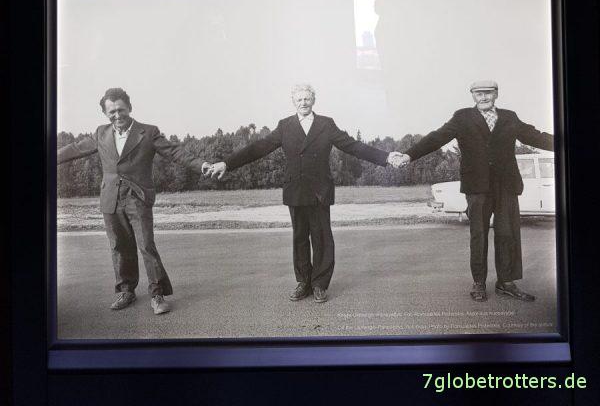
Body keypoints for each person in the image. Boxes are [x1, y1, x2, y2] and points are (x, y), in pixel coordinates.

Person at [205, 84, 404, 303]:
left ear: (313, 100)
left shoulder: (326, 124)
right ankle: (304, 282)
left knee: (321, 238)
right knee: (299, 238)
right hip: (295, 190)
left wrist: (385, 157)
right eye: (299, 99)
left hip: (320, 190)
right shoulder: (285, 126)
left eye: (307, 99)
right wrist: (227, 163)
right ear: (293, 102)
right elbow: (258, 148)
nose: (303, 103)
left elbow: (353, 146)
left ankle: (319, 284)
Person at [393, 80, 554, 303]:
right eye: (479, 93)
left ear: (496, 94)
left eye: (488, 93)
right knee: (478, 234)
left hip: (506, 185)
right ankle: (479, 282)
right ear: (472, 96)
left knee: (508, 233)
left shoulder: (510, 117)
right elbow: (436, 138)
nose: (484, 97)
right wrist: (408, 155)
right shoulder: (461, 118)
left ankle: (506, 282)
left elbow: (535, 136)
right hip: (477, 187)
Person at [57, 88, 205, 314]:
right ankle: (126, 291)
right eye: (112, 111)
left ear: (130, 108)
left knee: (146, 245)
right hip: (110, 198)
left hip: (138, 196)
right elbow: (75, 149)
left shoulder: (148, 132)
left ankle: (157, 294)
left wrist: (202, 165)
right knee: (118, 246)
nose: (117, 115)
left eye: (121, 109)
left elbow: (175, 153)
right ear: (106, 113)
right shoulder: (100, 133)